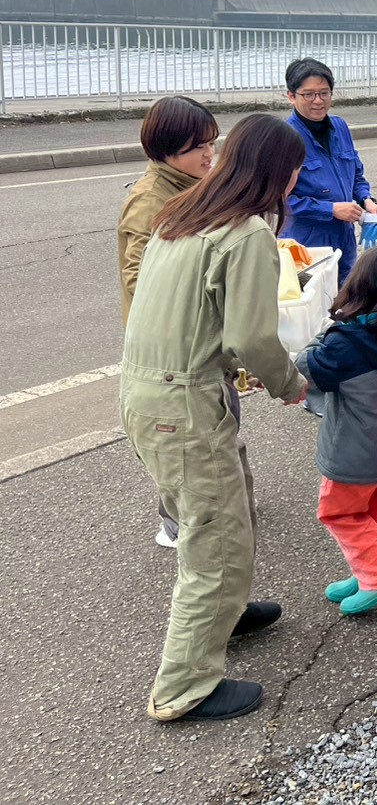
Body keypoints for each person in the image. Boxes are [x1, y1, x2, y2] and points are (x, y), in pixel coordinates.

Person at [121, 114, 309, 723]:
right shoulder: (246, 230)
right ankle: (184, 687)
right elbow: (253, 336)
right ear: (277, 171)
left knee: (229, 508)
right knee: (214, 538)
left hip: (149, 393)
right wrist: (290, 383)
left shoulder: (185, 212)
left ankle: (226, 613)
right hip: (187, 403)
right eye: (295, 171)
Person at [296, 245, 377, 617]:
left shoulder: (345, 345)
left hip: (354, 453)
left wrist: (324, 331)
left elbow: (305, 366)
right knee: (372, 508)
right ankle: (370, 566)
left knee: (341, 513)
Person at [116, 95, 220, 550]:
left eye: (212, 143)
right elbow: (140, 279)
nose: (208, 154)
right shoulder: (149, 201)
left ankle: (216, 511)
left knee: (217, 432)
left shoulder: (193, 185)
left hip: (198, 342)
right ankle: (180, 526)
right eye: (197, 147)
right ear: (165, 150)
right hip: (171, 354)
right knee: (182, 445)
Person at [282, 58, 377, 288]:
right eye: (308, 94)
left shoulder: (340, 127)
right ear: (291, 96)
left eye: (324, 93)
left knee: (346, 301)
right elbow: (278, 200)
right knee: (312, 305)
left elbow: (357, 174)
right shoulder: (284, 138)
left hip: (344, 238)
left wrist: (367, 200)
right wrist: (331, 209)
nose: (318, 101)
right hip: (306, 243)